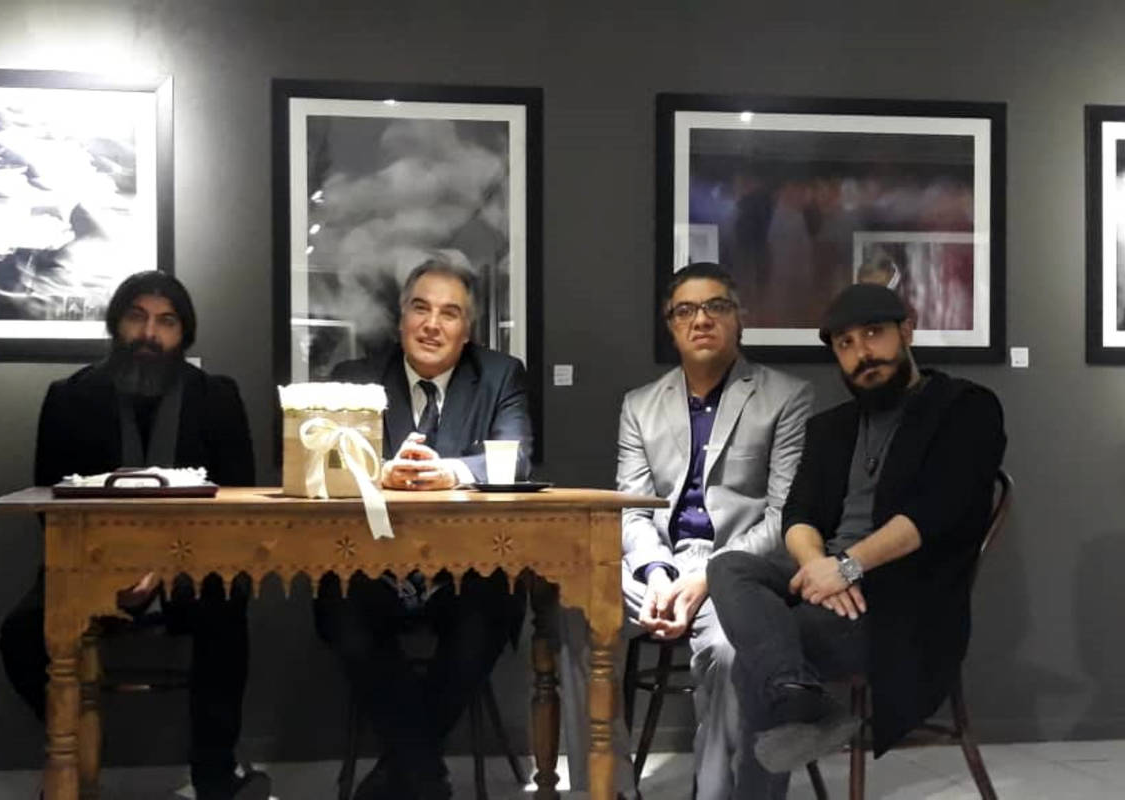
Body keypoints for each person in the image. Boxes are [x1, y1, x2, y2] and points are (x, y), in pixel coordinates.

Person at [707, 283, 1006, 774]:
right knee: (729, 566)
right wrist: (820, 567)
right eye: (845, 343)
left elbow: (936, 512)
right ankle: (800, 698)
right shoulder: (832, 427)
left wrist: (848, 567)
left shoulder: (965, 408)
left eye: (873, 333)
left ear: (907, 331)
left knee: (759, 656)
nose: (862, 353)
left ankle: (794, 702)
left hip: (899, 603)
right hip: (828, 582)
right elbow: (798, 515)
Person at [0, 271, 269, 800]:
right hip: (89, 567)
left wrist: (163, 569)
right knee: (20, 636)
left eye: (166, 322)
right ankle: (72, 752)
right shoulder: (69, 398)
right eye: (137, 318)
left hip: (191, 567)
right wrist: (112, 571)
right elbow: (50, 509)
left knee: (226, 607)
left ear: (184, 334)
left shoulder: (216, 398)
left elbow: (236, 506)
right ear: (116, 323)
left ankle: (215, 774)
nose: (149, 333)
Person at [561, 262, 813, 799]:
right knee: (578, 612)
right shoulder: (639, 405)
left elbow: (784, 518)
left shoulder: (787, 397)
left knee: (731, 649)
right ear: (671, 325)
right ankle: (607, 788)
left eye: (716, 306)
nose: (701, 319)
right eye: (685, 310)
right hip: (658, 564)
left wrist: (708, 578)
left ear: (739, 318)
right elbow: (631, 511)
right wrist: (656, 573)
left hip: (739, 569)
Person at [315, 257, 533, 800]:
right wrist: (378, 473)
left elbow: (517, 459)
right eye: (421, 308)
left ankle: (401, 774)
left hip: (467, 569)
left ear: (467, 331)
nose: (432, 324)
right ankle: (423, 776)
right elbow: (321, 464)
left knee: (489, 611)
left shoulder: (501, 375)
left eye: (449, 313)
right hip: (373, 566)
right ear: (401, 320)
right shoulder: (355, 379)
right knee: (342, 611)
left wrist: (451, 471)